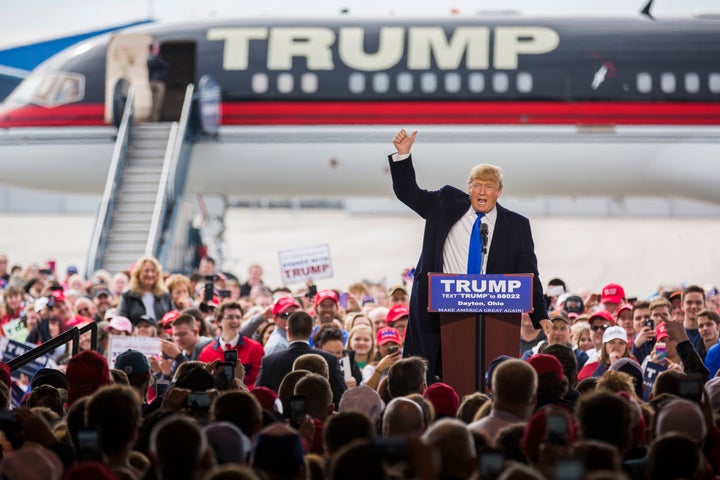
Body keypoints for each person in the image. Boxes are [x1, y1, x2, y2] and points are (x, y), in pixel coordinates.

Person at [389, 129, 550, 382]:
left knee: (482, 376)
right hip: (436, 311)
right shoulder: (445, 202)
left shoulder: (517, 225)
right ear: (468, 188)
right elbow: (408, 193)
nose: (482, 192)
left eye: (489, 186)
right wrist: (403, 156)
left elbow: (529, 274)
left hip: (491, 317)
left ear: (499, 191)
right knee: (432, 377)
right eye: (477, 186)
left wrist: (540, 315)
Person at [117, 255, 171, 325]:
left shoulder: (164, 295)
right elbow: (122, 320)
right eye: (146, 271)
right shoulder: (128, 295)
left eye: (153, 271)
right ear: (138, 274)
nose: (150, 274)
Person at [147, 41, 167, 122]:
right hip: (156, 82)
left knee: (158, 101)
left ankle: (155, 117)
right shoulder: (151, 58)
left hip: (158, 81)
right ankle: (154, 118)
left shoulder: (157, 58)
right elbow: (153, 66)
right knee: (156, 101)